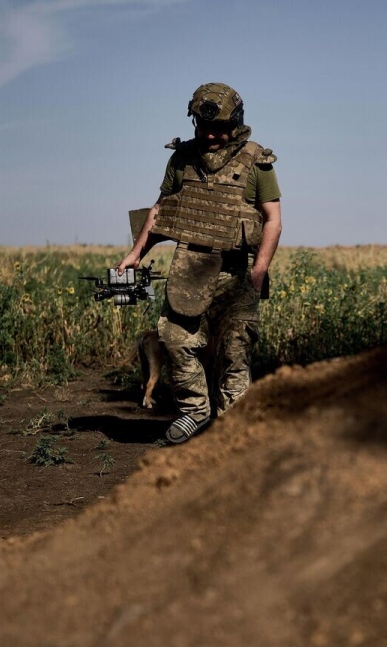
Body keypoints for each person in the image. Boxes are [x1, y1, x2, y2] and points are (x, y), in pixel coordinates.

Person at [118, 82, 282, 444]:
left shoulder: (257, 160)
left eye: (219, 128)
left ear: (235, 122)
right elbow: (160, 210)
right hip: (189, 267)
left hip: (237, 271)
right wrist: (135, 254)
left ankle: (231, 431)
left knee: (234, 352)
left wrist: (259, 271)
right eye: (203, 127)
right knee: (174, 338)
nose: (210, 135)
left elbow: (273, 219)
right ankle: (195, 409)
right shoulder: (182, 159)